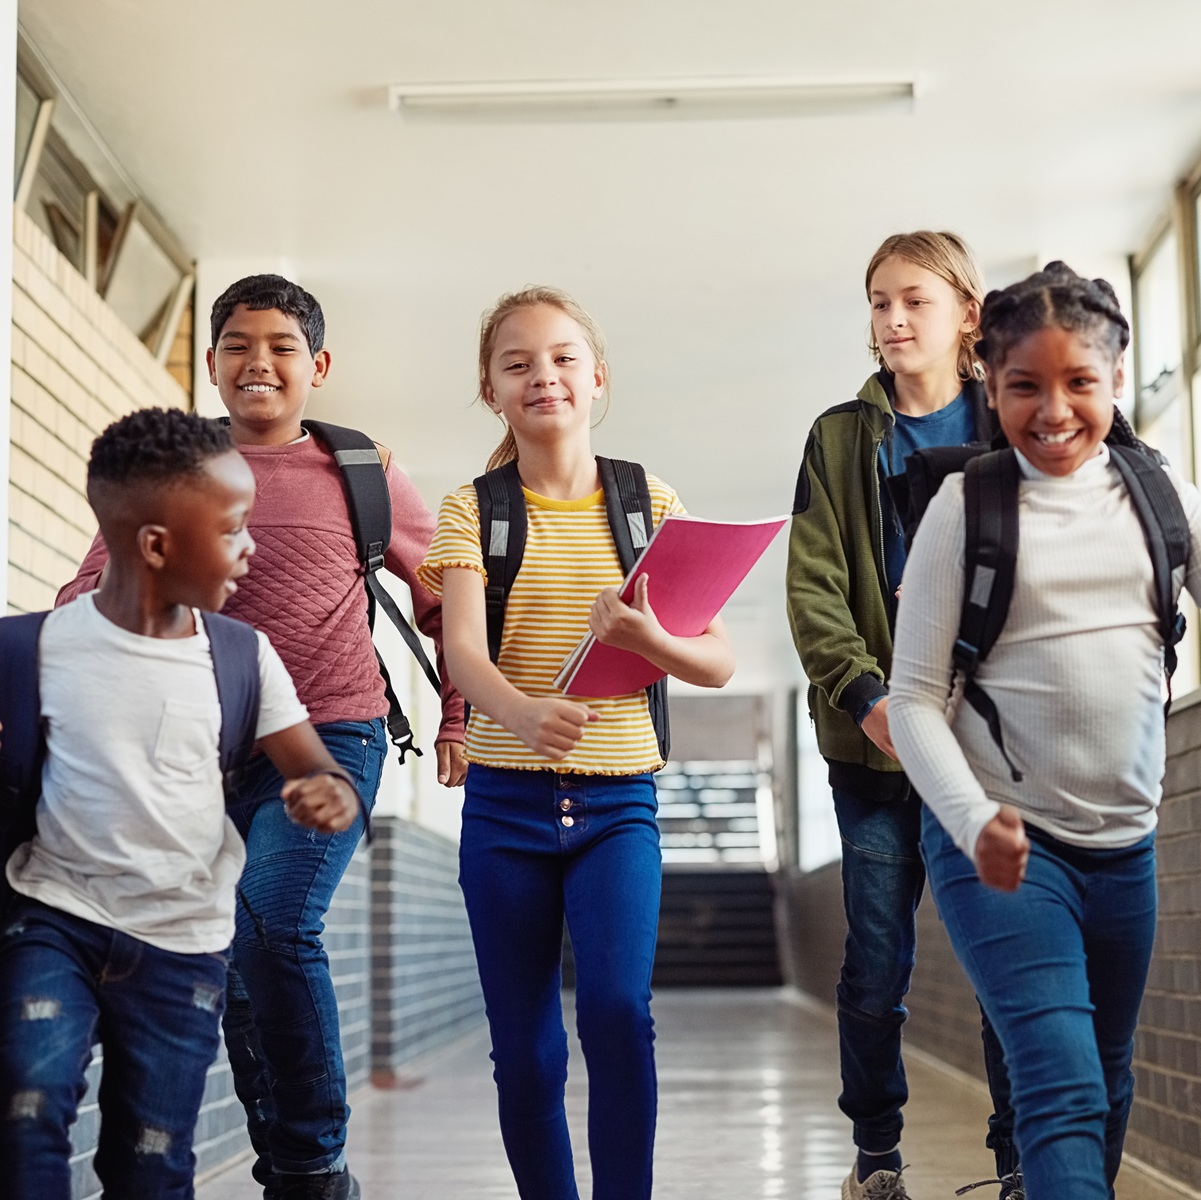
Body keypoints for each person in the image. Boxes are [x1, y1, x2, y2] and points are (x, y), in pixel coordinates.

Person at [56, 275, 467, 1200]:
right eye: (238, 345)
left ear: (317, 365)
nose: (259, 363)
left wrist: (458, 714)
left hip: (331, 736)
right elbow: (87, 589)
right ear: (211, 364)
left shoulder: (361, 471)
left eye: (282, 346)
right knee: (235, 961)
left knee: (274, 922)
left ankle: (315, 1165)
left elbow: (446, 597)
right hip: (192, 752)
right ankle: (289, 1166)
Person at [889, 262, 1200, 1200]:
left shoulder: (1159, 497)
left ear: (1116, 379)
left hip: (1124, 846)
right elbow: (913, 699)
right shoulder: (966, 508)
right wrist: (969, 818)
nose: (1053, 410)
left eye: (1079, 383)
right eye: (1024, 384)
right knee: (1059, 1086)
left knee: (1105, 1082)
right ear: (990, 383)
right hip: (1003, 842)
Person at [417, 286, 734, 1200]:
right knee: (524, 1049)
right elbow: (462, 652)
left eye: (562, 358)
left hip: (618, 803)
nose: (543, 377)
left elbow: (715, 661)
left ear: (597, 377)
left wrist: (651, 641)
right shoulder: (472, 510)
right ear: (491, 391)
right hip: (505, 808)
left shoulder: (648, 503)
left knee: (616, 1012)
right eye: (517, 364)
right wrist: (519, 714)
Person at [0, 407, 361, 1199]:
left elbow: (314, 764)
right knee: (25, 1105)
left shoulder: (241, 656)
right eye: (233, 529)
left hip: (182, 942)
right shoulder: (28, 649)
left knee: (152, 1159)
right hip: (57, 918)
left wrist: (327, 793)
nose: (251, 547)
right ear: (158, 546)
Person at [785, 231, 1017, 1200]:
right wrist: (866, 696)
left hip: (996, 752)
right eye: (878, 301)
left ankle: (1017, 1161)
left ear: (967, 313)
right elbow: (813, 586)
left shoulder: (1011, 422)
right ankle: (875, 1156)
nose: (890, 319)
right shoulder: (841, 436)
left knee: (1007, 959)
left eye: (913, 299)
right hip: (874, 752)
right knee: (877, 964)